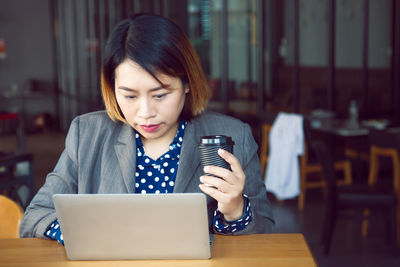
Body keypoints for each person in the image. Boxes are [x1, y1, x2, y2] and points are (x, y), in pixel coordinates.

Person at [20, 13, 274, 243]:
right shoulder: (87, 134)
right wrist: (84, 237)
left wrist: (235, 210)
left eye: (160, 95)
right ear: (112, 89)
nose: (145, 113)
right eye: (130, 96)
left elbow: (264, 232)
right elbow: (35, 217)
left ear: (187, 83)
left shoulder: (234, 135)